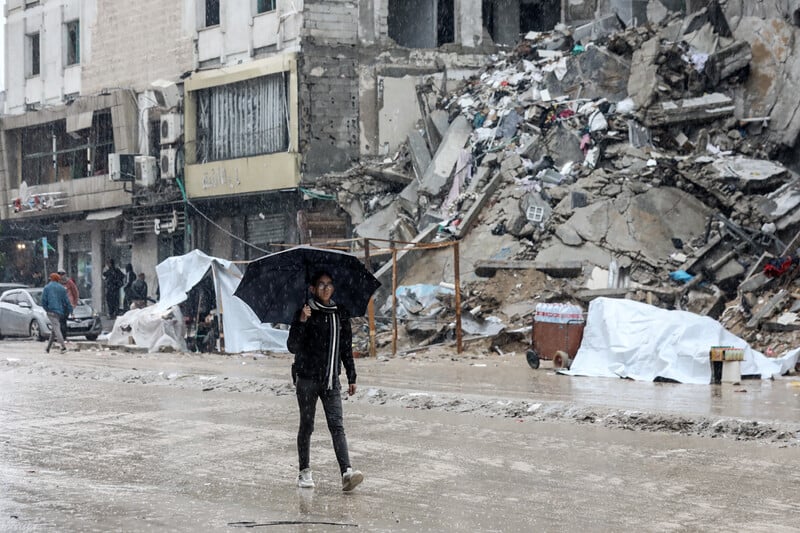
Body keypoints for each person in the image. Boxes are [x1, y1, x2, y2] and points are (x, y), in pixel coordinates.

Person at [286, 271, 364, 492]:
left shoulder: (340, 314)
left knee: (337, 426)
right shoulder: (304, 312)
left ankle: (346, 472)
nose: (326, 289)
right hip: (307, 379)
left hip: (331, 380)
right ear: (312, 288)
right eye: (321, 285)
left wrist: (351, 376)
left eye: (329, 285)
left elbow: (345, 348)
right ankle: (304, 472)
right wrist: (302, 320)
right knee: (307, 426)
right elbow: (292, 346)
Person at [42, 273, 72, 354]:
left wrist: (47, 309)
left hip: (51, 311)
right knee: (54, 329)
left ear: (51, 279)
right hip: (59, 312)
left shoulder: (47, 288)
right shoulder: (62, 288)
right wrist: (70, 309)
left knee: (56, 329)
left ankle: (63, 347)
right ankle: (47, 348)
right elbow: (66, 300)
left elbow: (43, 301)